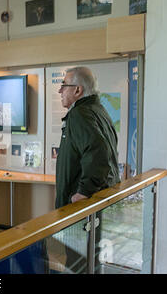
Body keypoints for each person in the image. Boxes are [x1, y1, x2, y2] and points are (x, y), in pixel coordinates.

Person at [55, 66, 119, 273]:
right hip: (96, 207)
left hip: (81, 209)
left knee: (77, 264)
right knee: (90, 260)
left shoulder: (80, 114)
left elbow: (98, 152)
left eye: (64, 85)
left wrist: (83, 191)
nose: (60, 91)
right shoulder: (98, 110)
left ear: (77, 90)